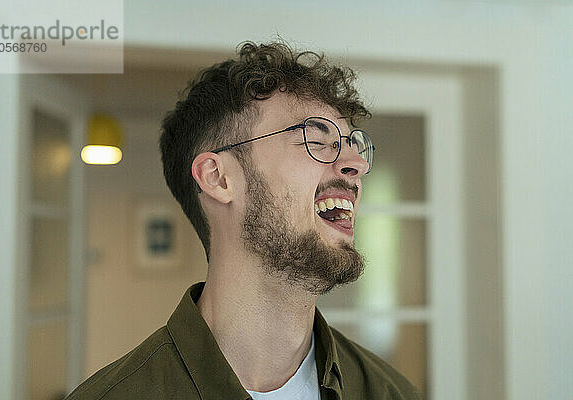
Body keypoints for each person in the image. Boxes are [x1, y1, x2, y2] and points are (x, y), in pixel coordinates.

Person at [65, 41, 422, 400]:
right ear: (218, 178)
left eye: (351, 144)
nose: (356, 166)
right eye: (316, 138)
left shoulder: (393, 393)